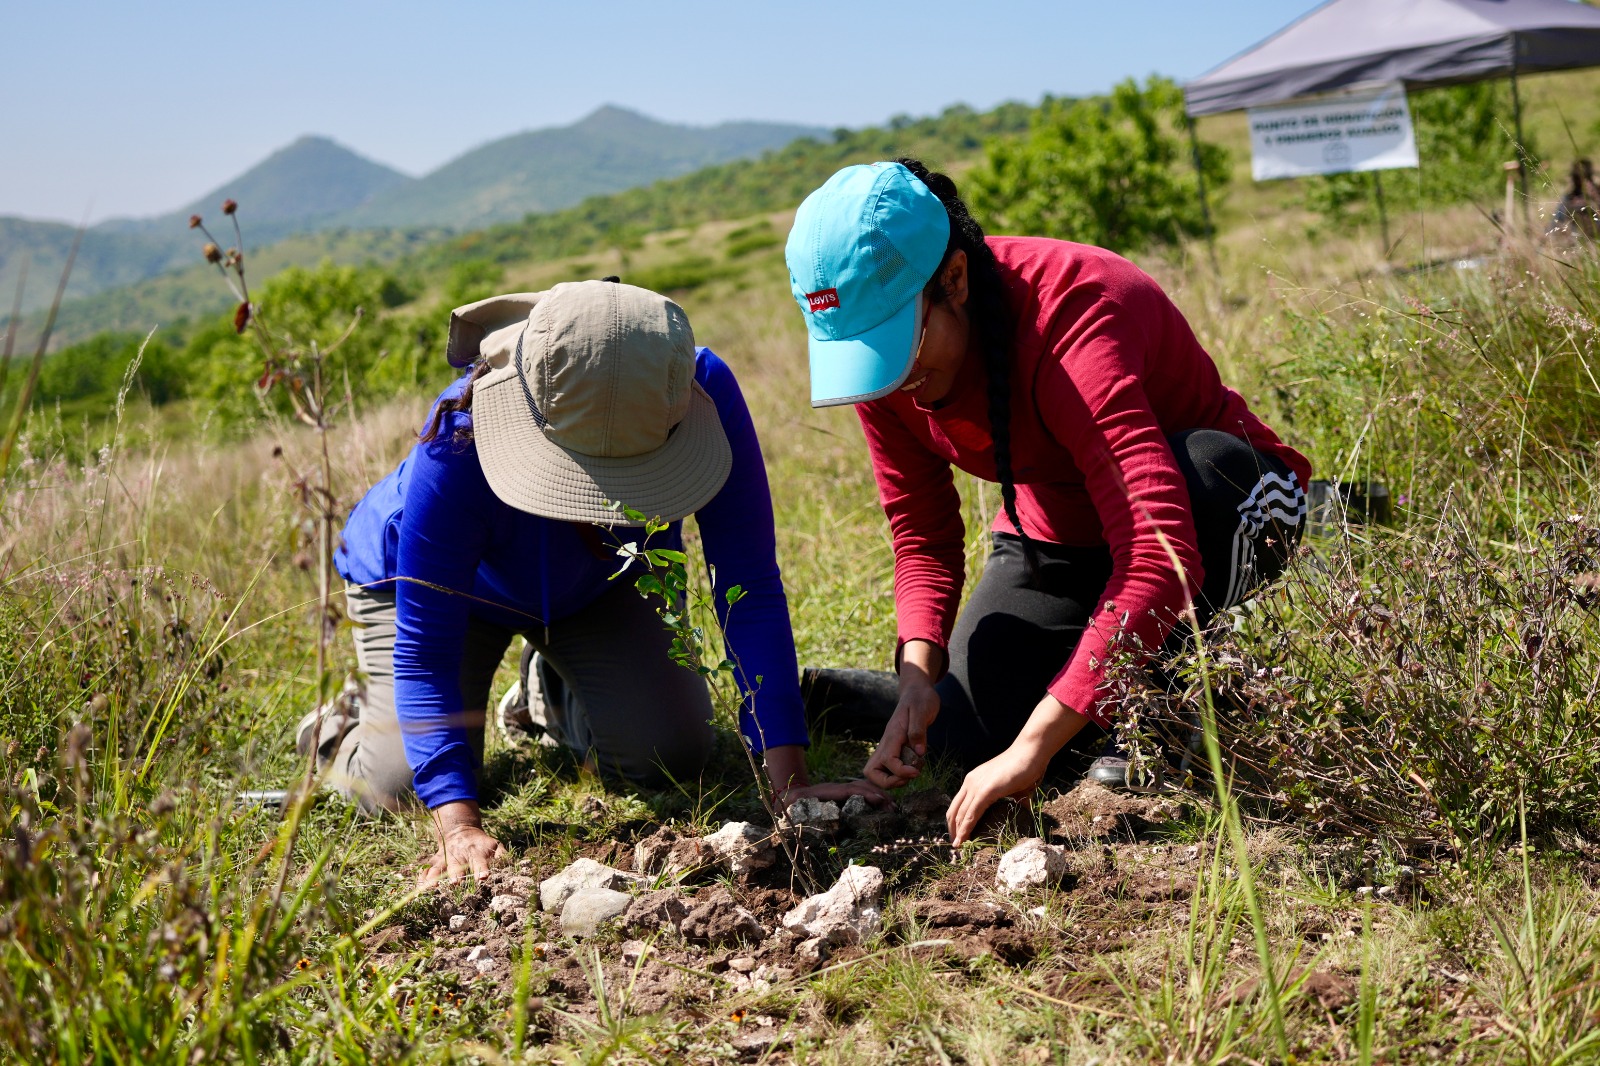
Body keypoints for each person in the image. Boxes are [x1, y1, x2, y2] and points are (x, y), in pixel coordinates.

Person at [784, 160, 1312, 845]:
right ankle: (913, 696)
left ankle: (1162, 702)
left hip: (1221, 508)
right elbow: (922, 534)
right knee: (967, 741)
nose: (895, 378)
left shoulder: (1074, 311)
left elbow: (1159, 553)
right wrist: (917, 676)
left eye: (895, 343)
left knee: (1211, 477)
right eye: (868, 354)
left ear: (955, 280)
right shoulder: (887, 368)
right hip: (1059, 539)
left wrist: (1034, 748)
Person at [309, 279, 884, 885]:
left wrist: (789, 784)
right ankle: (336, 731)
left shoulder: (699, 389)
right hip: (451, 593)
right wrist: (458, 825)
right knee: (397, 787)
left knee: (672, 754)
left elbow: (749, 582)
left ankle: (547, 692)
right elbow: (426, 647)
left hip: (598, 582)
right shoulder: (460, 432)